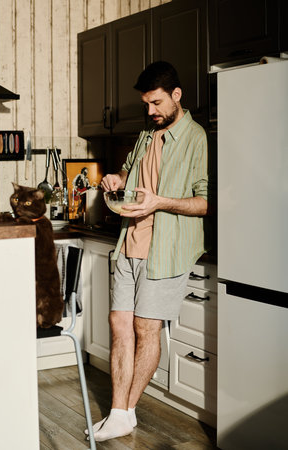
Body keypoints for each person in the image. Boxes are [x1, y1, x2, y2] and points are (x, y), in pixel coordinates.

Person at [87, 61, 211, 442]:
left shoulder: (195, 137)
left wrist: (159, 202)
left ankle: (124, 411)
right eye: (146, 105)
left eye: (156, 103)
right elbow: (131, 173)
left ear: (176, 96)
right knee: (119, 325)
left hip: (167, 249)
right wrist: (117, 178)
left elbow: (203, 202)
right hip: (130, 243)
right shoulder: (147, 134)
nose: (151, 111)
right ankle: (119, 412)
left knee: (145, 328)